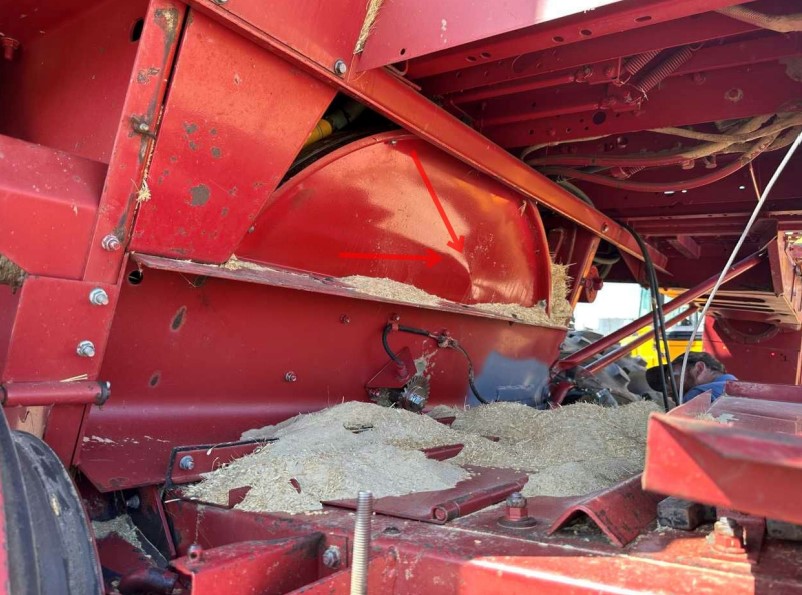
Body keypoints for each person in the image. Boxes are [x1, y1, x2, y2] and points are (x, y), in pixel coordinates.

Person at [645, 352, 737, 403]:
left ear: (699, 369)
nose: (670, 393)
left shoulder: (699, 395)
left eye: (671, 377)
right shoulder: (740, 387)